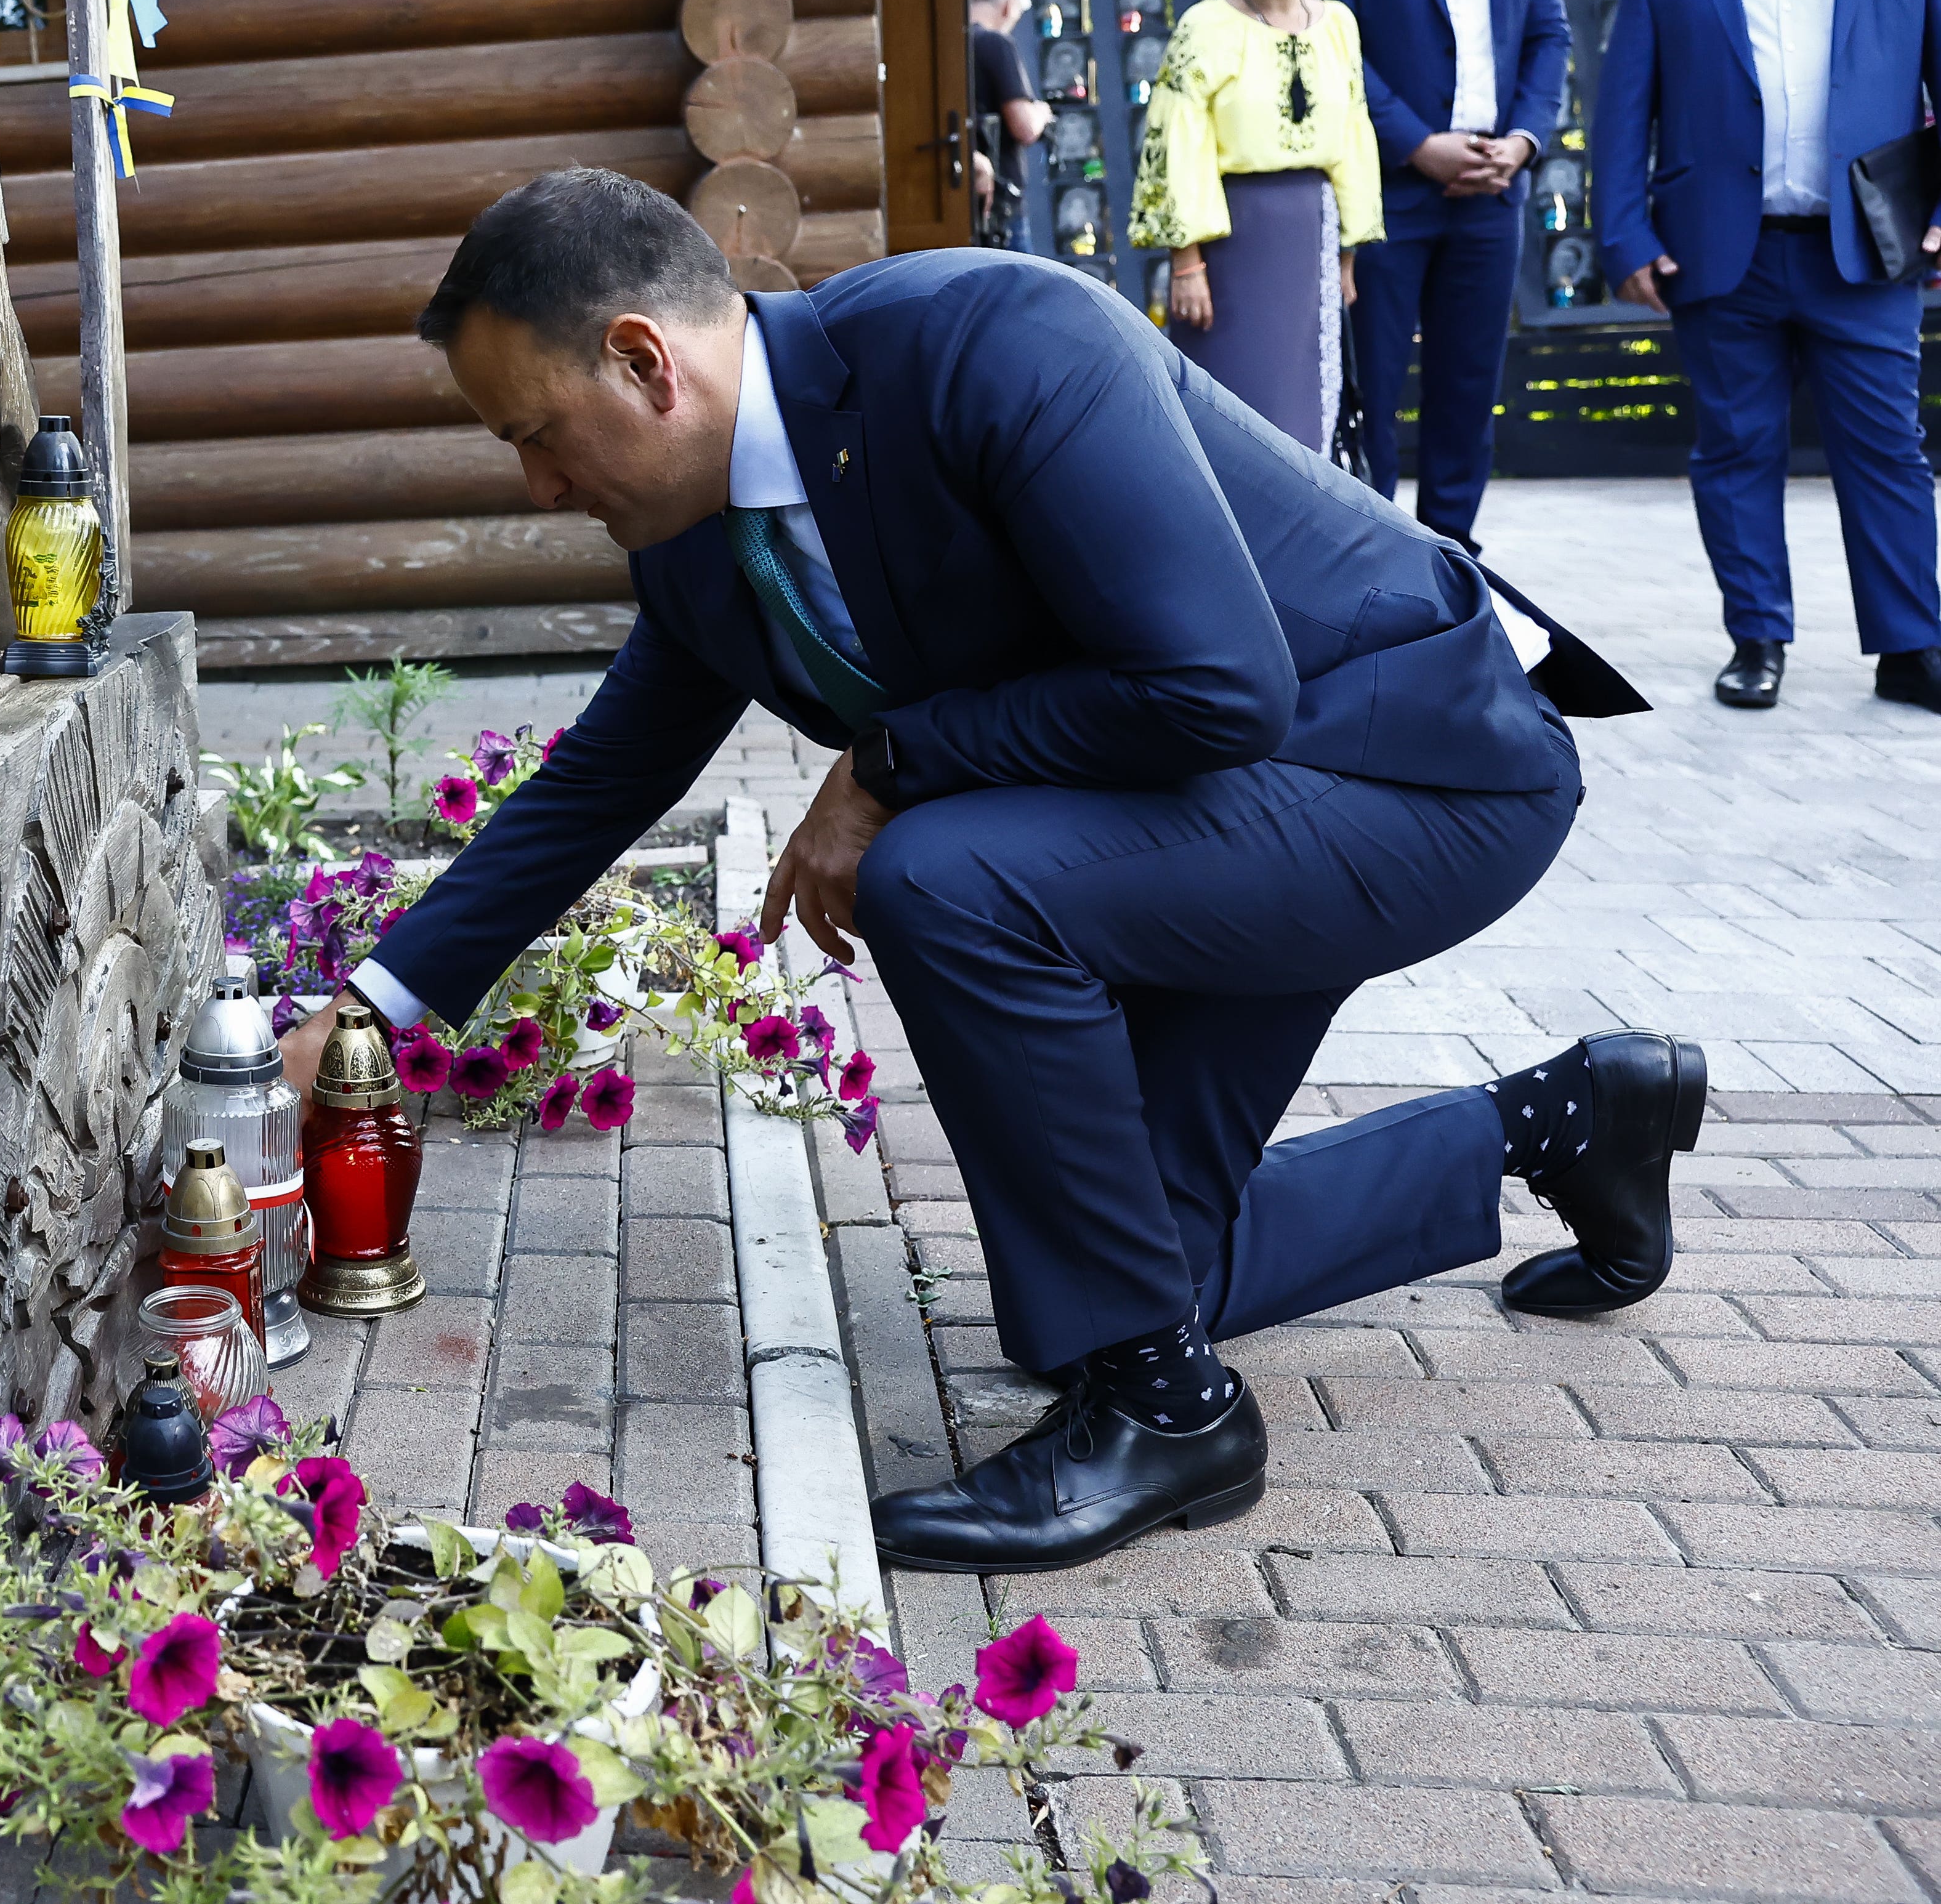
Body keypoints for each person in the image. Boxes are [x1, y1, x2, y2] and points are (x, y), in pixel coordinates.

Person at [279, 167, 1691, 1575]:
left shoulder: (984, 339)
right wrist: (371, 1017)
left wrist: (887, 762)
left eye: (533, 433)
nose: (534, 483)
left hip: (1412, 762)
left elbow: (1218, 687)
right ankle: (1570, 1116)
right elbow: (601, 777)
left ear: (644, 359)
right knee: (1129, 1271)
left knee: (946, 878)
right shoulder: (697, 543)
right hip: (1222, 803)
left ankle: (1164, 1412)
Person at [1593, 0, 1941, 714]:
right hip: (1719, 253)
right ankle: (1758, 639)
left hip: (1866, 248)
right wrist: (1622, 236)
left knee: (1887, 449)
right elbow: (1625, 114)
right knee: (1735, 449)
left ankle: (1912, 647)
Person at [1317, 0, 1571, 555]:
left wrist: (1527, 139)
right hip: (1393, 188)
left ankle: (1455, 554)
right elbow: (1336, 49)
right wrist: (1419, 144)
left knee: (1469, 383)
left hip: (1496, 186)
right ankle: (1377, 553)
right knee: (1375, 382)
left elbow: (1549, 36)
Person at [1132, 0, 1387, 451]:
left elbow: (1354, 135)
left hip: (1313, 235)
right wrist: (1187, 261)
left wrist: (1348, 251)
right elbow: (1178, 141)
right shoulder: (1205, 26)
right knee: (1228, 410)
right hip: (1230, 241)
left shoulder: (1339, 27)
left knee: (1305, 410)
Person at [969, 0, 1051, 248]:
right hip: (1001, 211)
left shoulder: (949, 44)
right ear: (1007, 5)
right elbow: (1024, 127)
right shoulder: (995, 44)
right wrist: (1042, 113)